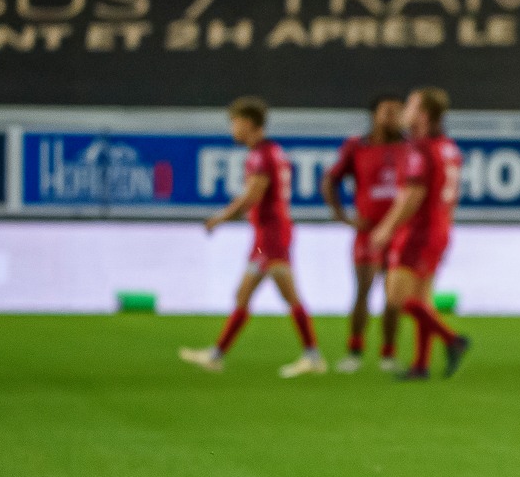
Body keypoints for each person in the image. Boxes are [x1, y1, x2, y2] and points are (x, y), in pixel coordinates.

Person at [178, 97, 325, 377]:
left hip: (271, 235)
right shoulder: (271, 152)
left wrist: (220, 218)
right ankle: (217, 354)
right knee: (244, 294)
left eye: (234, 122)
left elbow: (253, 196)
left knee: (288, 294)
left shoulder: (261, 155)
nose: (232, 128)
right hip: (265, 235)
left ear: (247, 123)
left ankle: (313, 356)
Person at [368, 87, 471, 381]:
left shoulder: (421, 148)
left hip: (419, 231)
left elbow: (413, 195)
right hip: (440, 229)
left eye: (410, 106)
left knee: (397, 298)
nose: (404, 111)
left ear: (423, 114)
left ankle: (452, 340)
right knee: (422, 298)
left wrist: (387, 227)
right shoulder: (447, 147)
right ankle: (421, 365)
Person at [322, 93, 406, 372]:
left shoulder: (411, 147)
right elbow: (331, 179)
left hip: (399, 232)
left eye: (398, 112)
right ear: (374, 115)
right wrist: (341, 215)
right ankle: (355, 350)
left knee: (394, 297)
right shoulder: (357, 147)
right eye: (388, 111)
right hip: (368, 233)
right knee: (363, 291)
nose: (393, 117)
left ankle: (388, 353)